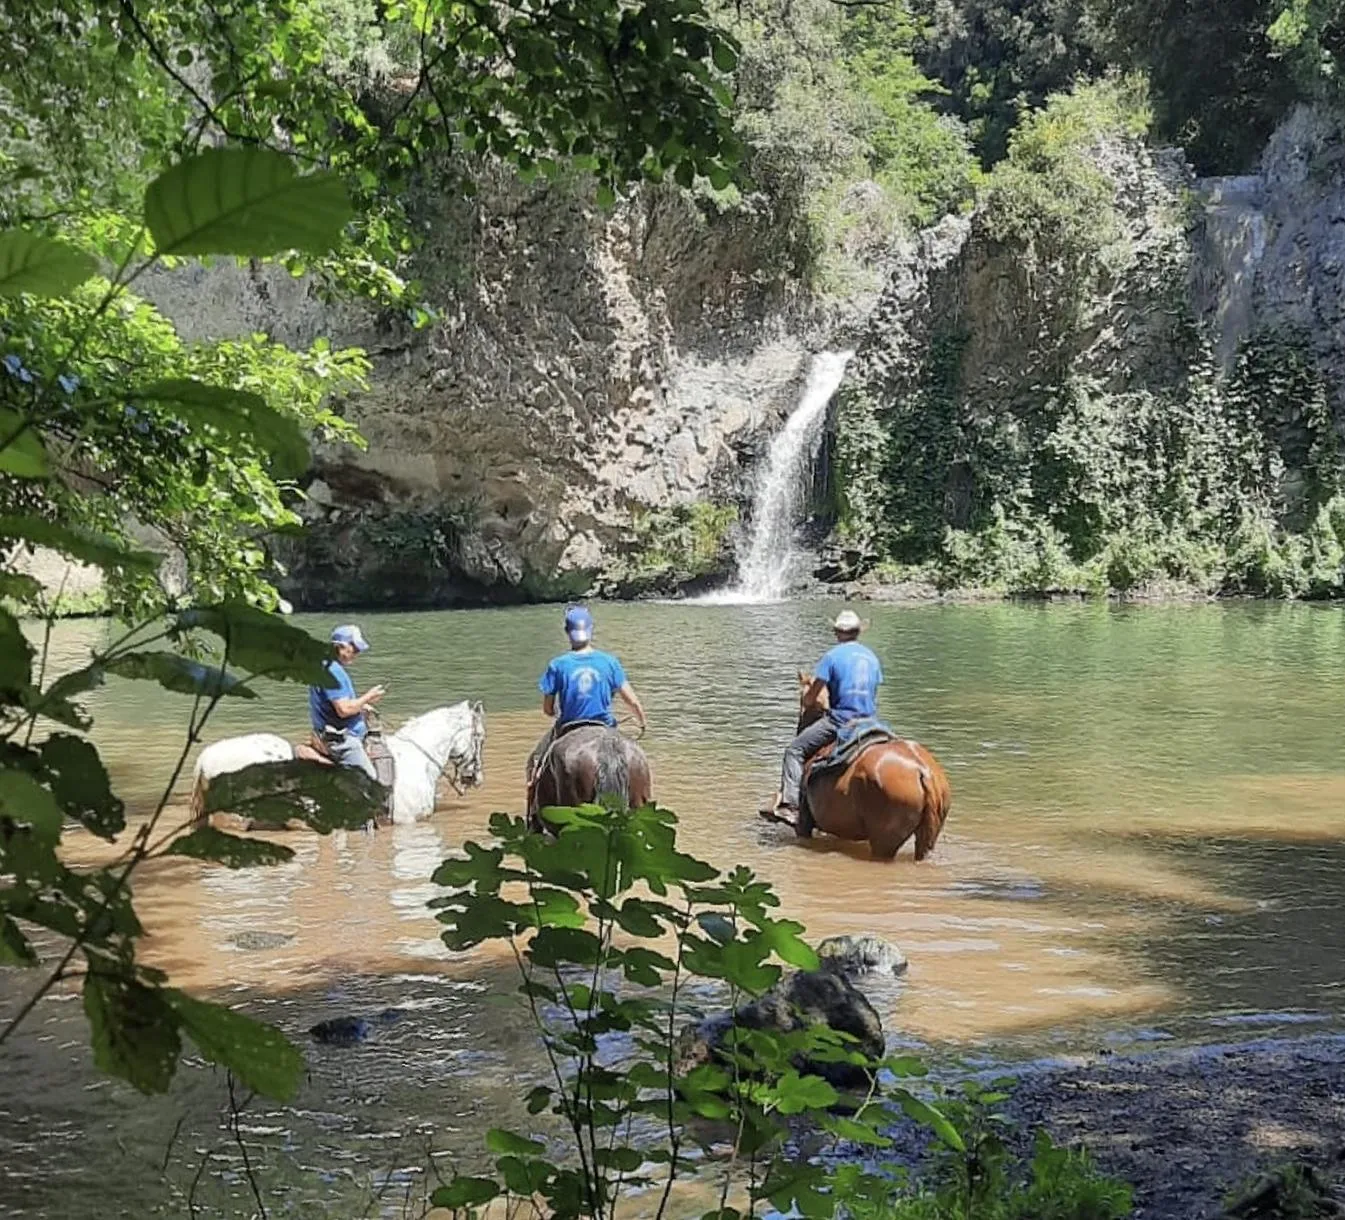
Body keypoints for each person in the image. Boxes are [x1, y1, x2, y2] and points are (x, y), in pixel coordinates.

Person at [768, 609, 883, 821]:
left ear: (837, 632)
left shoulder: (831, 657)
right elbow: (873, 691)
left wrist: (808, 700)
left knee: (794, 750)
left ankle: (790, 805)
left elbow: (813, 695)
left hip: (841, 720)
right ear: (858, 632)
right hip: (871, 721)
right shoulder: (871, 657)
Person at [527, 606, 647, 784]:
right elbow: (632, 701)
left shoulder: (557, 665)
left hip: (569, 726)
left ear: (568, 632)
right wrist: (643, 722)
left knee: (535, 762)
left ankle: (532, 808)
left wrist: (555, 713)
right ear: (590, 630)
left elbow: (547, 709)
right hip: (605, 725)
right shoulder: (610, 662)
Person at [309, 624, 385, 781]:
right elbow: (343, 709)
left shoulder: (325, 666)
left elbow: (335, 704)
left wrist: (362, 706)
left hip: (331, 733)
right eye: (355, 649)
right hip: (341, 740)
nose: (356, 654)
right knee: (370, 780)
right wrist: (368, 697)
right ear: (340, 647)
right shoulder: (333, 671)